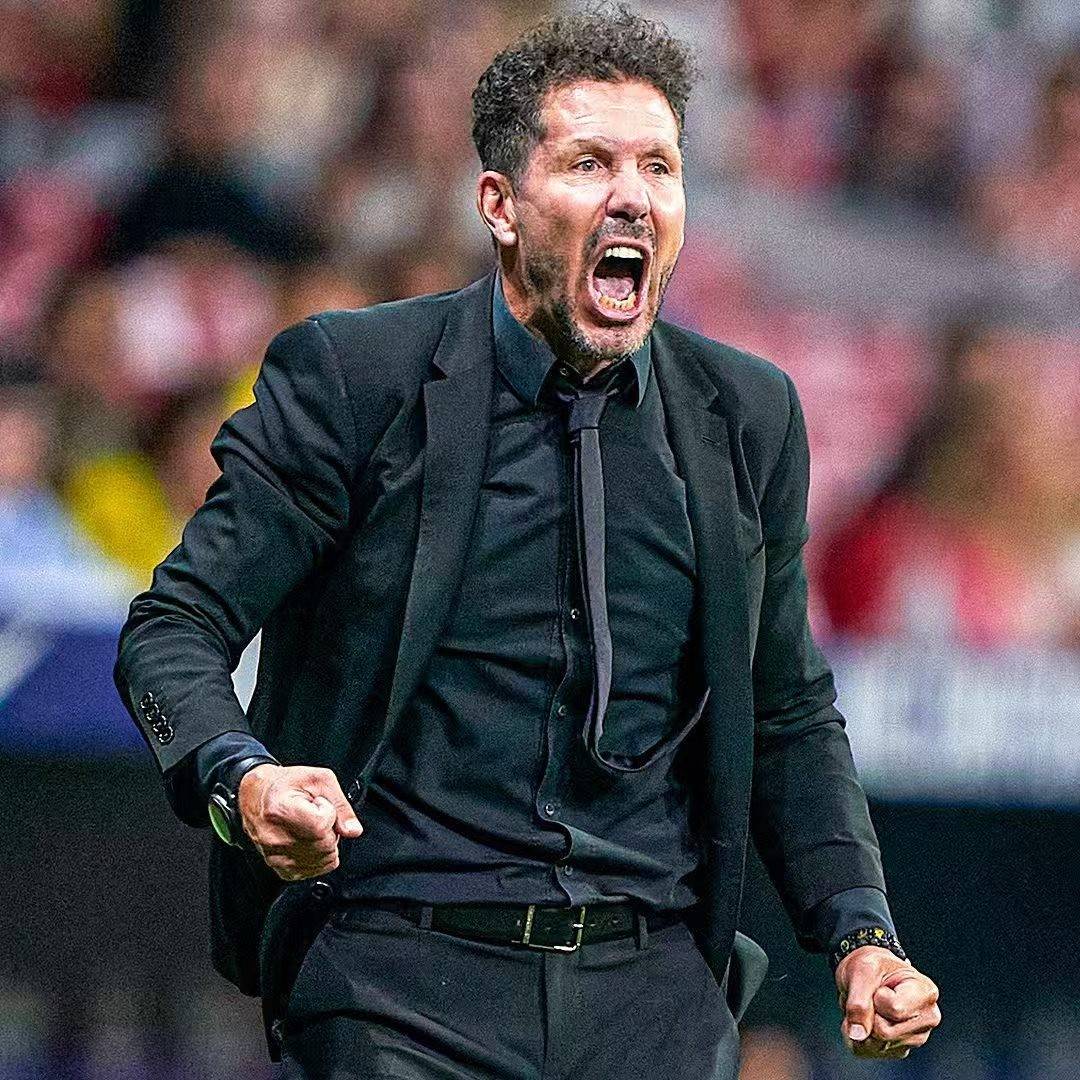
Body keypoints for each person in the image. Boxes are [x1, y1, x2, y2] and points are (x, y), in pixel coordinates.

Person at [114, 8, 941, 1078]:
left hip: (652, 991)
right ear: (500, 205)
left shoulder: (747, 416)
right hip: (398, 981)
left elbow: (786, 708)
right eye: (590, 163)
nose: (632, 195)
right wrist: (242, 781)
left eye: (658, 166)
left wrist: (861, 930)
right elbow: (173, 626)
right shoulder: (357, 383)